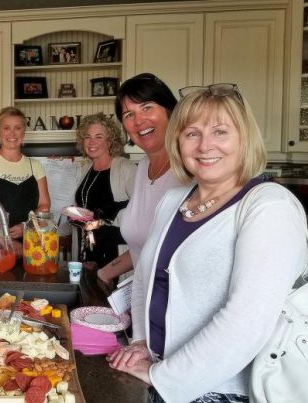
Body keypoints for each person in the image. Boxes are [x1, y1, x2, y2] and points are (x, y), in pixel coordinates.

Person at [108, 84, 308, 402]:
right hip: (162, 378)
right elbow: (147, 277)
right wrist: (143, 342)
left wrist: (163, 376)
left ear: (244, 139)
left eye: (220, 132)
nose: (205, 146)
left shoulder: (269, 205)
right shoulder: (174, 200)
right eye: (192, 134)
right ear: (179, 142)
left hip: (223, 392)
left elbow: (246, 321)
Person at [87, 73, 180, 292]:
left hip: (176, 310)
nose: (139, 121)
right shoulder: (143, 169)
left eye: (147, 107)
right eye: (129, 114)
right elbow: (142, 246)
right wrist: (105, 273)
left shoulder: (191, 170)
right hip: (144, 301)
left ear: (169, 110)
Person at [0, 106, 50, 256]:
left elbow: (44, 206)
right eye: (6, 128)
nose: (12, 133)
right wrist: (6, 239)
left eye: (17, 128)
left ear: (23, 132)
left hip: (28, 246)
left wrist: (26, 226)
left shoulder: (35, 166)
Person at [70, 113, 136, 269]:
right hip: (86, 253)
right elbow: (84, 208)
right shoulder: (85, 168)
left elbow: (140, 213)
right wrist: (74, 215)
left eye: (99, 137)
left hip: (114, 255)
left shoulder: (125, 168)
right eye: (87, 137)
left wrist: (104, 224)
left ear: (110, 141)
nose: (92, 142)